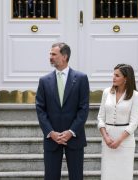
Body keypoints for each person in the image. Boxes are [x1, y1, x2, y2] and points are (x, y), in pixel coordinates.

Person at [35, 42, 90, 180]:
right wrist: (50, 132)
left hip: (74, 137)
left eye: (54, 54)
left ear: (64, 56)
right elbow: (40, 109)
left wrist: (71, 132)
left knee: (77, 177)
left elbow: (83, 108)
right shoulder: (44, 81)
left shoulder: (81, 78)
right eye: (50, 54)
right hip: (52, 138)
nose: (50, 57)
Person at [97, 64, 138, 180]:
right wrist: (106, 137)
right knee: (108, 174)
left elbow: (134, 123)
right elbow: (100, 117)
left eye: (117, 75)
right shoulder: (106, 92)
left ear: (126, 78)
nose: (113, 77)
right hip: (108, 139)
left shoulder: (135, 95)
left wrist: (119, 140)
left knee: (124, 174)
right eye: (113, 74)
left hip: (125, 141)